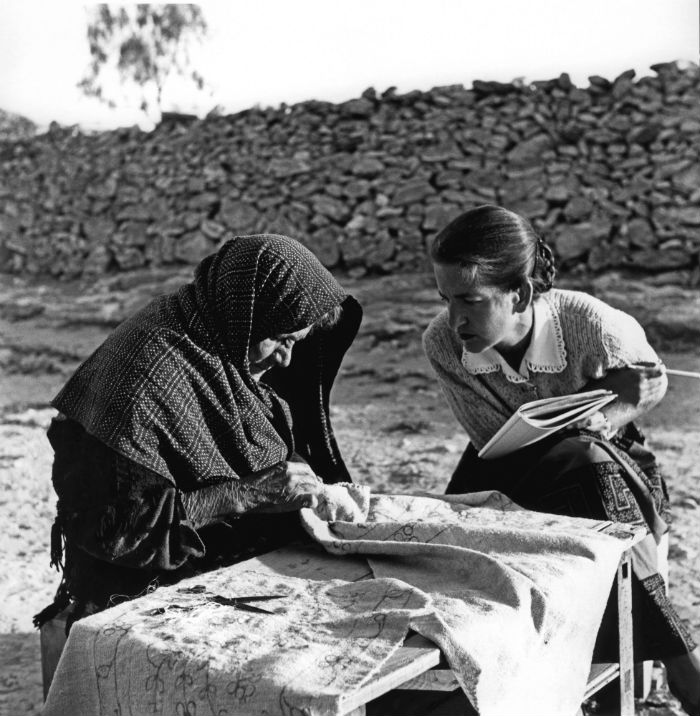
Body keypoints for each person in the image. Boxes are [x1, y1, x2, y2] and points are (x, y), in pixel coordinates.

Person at [422, 205, 700, 715]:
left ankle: (672, 673)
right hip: (506, 471)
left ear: (521, 293)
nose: (455, 317)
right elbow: (491, 438)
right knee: (582, 466)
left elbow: (651, 382)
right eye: (445, 299)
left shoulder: (591, 323)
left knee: (591, 467)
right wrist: (580, 425)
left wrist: (611, 409)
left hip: (610, 464)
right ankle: (686, 673)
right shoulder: (443, 343)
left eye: (470, 300)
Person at [35, 234, 362, 631]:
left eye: (296, 342)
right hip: (136, 578)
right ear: (245, 313)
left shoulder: (215, 337)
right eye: (279, 339)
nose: (286, 359)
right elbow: (118, 530)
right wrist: (246, 492)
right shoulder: (150, 375)